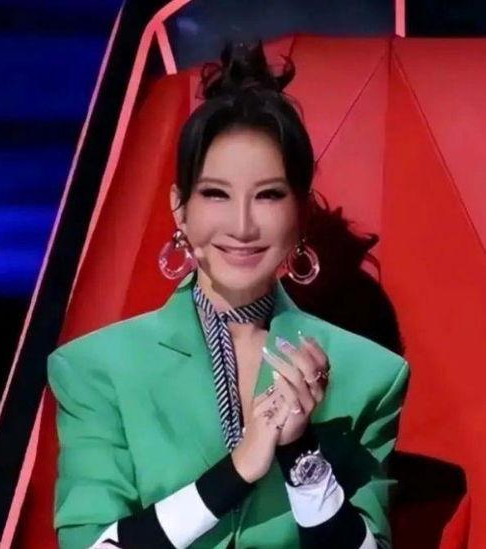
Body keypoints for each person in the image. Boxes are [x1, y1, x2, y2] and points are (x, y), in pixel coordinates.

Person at [47, 39, 410, 549]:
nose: (241, 226)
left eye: (269, 195)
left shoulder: (370, 376)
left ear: (300, 211)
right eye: (216, 194)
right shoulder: (95, 369)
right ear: (180, 209)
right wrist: (235, 473)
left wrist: (301, 454)